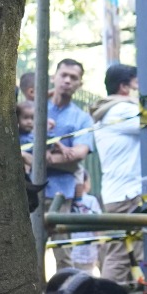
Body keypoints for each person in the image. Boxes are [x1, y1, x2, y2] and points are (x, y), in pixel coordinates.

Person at [88, 63, 147, 288]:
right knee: (121, 256)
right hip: (127, 195)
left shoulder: (111, 110)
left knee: (124, 253)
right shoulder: (121, 111)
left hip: (119, 193)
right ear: (124, 87)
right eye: (137, 85)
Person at [41, 58, 92, 202]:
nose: (67, 80)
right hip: (26, 187)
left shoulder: (83, 118)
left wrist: (36, 160)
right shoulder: (33, 108)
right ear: (53, 77)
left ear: (80, 84)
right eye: (63, 75)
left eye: (73, 77)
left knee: (58, 224)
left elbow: (79, 152)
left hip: (61, 191)